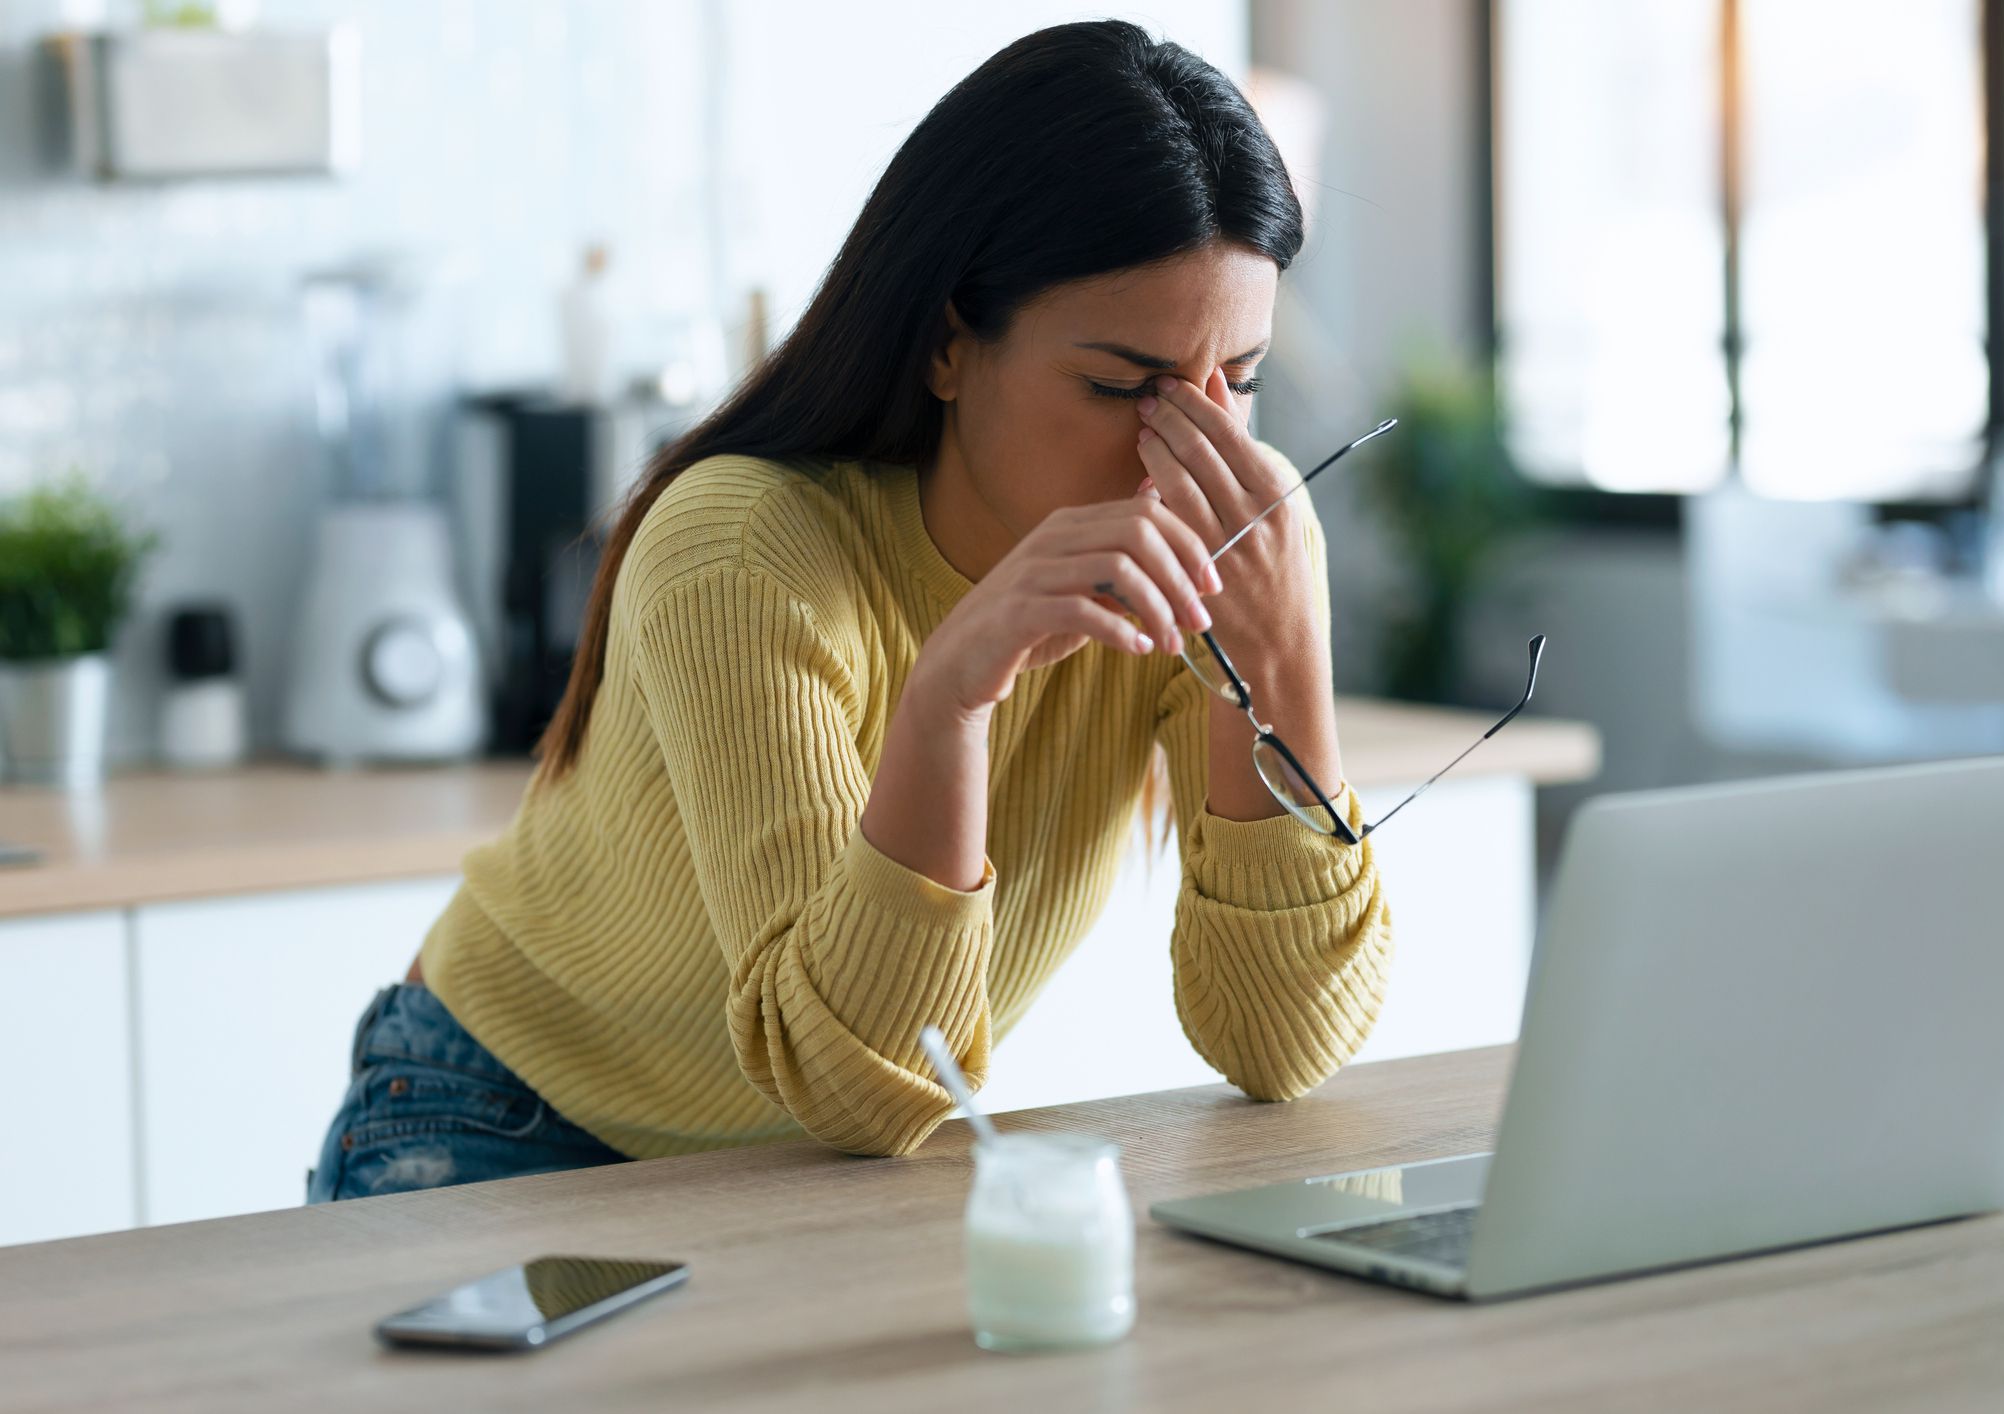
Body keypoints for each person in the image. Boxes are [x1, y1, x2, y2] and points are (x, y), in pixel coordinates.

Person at [307, 18, 1390, 1204]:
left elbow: (1281, 1043)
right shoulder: (744, 550)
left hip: (813, 1177)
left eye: (1240, 381)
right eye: (1121, 386)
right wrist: (948, 699)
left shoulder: (1239, 545)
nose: (1192, 449)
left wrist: (1283, 663)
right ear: (947, 345)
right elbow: (859, 1085)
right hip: (508, 1125)